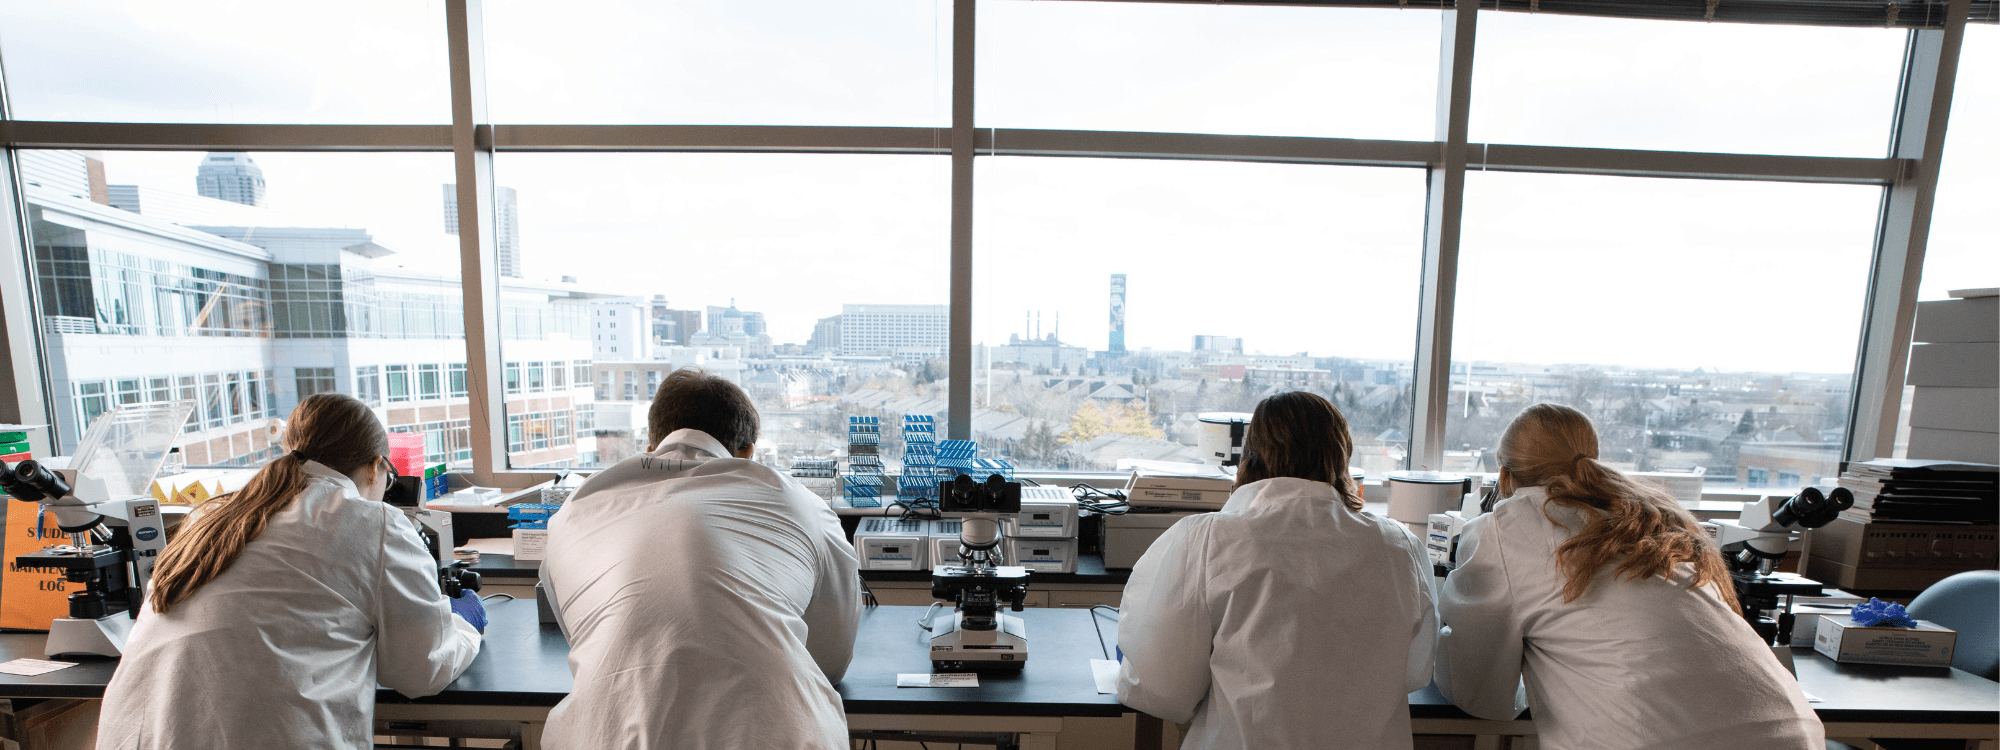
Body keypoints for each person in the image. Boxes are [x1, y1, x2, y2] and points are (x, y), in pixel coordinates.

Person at [98, 393, 484, 750]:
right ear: (375, 467)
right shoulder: (372, 520)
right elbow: (422, 671)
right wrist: (464, 622)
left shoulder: (213, 517)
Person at [1435, 403, 1823, 750]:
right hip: (1790, 727)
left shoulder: (1505, 528)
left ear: (1504, 474)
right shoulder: (1651, 517)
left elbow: (1478, 690)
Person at [540, 368, 861, 750]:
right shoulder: (801, 504)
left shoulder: (573, 513)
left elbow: (584, 636)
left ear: (651, 447)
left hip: (607, 736)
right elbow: (832, 659)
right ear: (747, 455)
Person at [1117, 391, 1438, 750]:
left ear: (1250, 454)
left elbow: (1160, 689)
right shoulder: (1401, 547)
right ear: (1341, 454)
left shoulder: (1210, 539)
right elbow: (1415, 672)